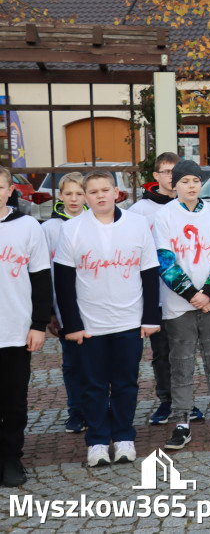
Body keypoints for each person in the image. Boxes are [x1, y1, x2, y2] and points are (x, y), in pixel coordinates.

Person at [55, 170, 161, 468]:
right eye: (93, 191)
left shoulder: (137, 224)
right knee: (93, 385)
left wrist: (151, 316)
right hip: (90, 325)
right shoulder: (73, 229)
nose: (100, 195)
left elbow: (150, 273)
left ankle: (124, 436)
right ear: (86, 197)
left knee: (127, 383)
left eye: (106, 189)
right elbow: (63, 281)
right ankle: (98, 441)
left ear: (117, 192)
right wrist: (72, 325)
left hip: (129, 320)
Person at [154, 159, 210, 449]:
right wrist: (193, 295)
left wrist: (209, 293)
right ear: (174, 184)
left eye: (195, 180)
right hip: (179, 306)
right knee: (181, 365)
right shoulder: (165, 216)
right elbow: (165, 262)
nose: (191, 186)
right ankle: (181, 421)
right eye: (185, 181)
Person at [130, 152, 202, 426]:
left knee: (184, 350)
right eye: (166, 171)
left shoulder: (192, 207)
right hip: (157, 294)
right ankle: (166, 400)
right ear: (156, 176)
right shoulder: (140, 211)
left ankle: (187, 401)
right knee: (161, 352)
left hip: (186, 293)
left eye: (176, 171)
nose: (171, 177)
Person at [0, 165, 53, 487]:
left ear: (9, 190)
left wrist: (38, 324)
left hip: (15, 330)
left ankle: (11, 458)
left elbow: (41, 280)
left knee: (14, 400)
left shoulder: (28, 226)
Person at [41, 173, 88, 434]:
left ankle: (97, 408)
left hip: (94, 307)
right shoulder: (49, 229)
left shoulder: (94, 223)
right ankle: (75, 410)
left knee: (97, 362)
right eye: (68, 194)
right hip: (64, 308)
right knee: (72, 363)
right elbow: (43, 270)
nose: (74, 199)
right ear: (60, 196)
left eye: (79, 194)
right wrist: (49, 311)